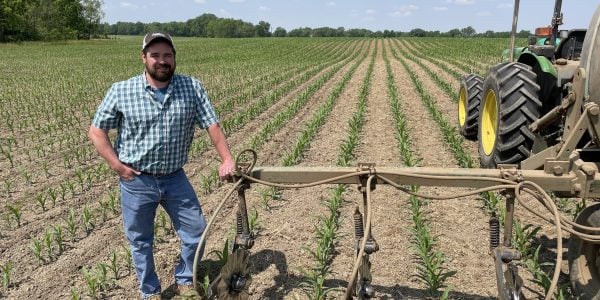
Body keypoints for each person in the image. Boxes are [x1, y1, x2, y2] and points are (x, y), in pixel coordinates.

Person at [88, 32, 235, 299]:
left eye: (167, 55)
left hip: (174, 177)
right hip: (137, 180)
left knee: (196, 232)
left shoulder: (191, 87)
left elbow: (211, 124)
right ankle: (149, 291)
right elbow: (97, 131)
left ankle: (185, 279)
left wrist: (226, 158)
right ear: (144, 57)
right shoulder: (121, 90)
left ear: (174, 58)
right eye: (155, 55)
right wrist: (118, 167)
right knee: (141, 241)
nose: (162, 60)